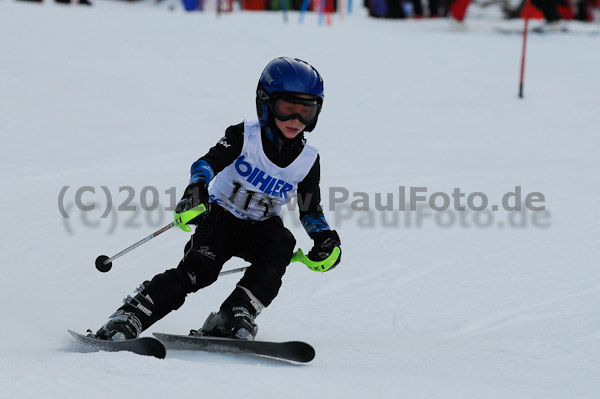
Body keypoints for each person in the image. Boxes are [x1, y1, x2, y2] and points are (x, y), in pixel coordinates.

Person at [93, 57, 342, 341]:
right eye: (287, 108)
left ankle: (235, 312)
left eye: (306, 111)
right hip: (221, 217)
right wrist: (196, 189)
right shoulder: (245, 136)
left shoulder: (308, 159)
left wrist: (325, 238)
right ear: (266, 102)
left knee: (282, 243)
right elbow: (206, 164)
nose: (296, 120)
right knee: (199, 272)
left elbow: (310, 209)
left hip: (262, 227)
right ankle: (131, 315)